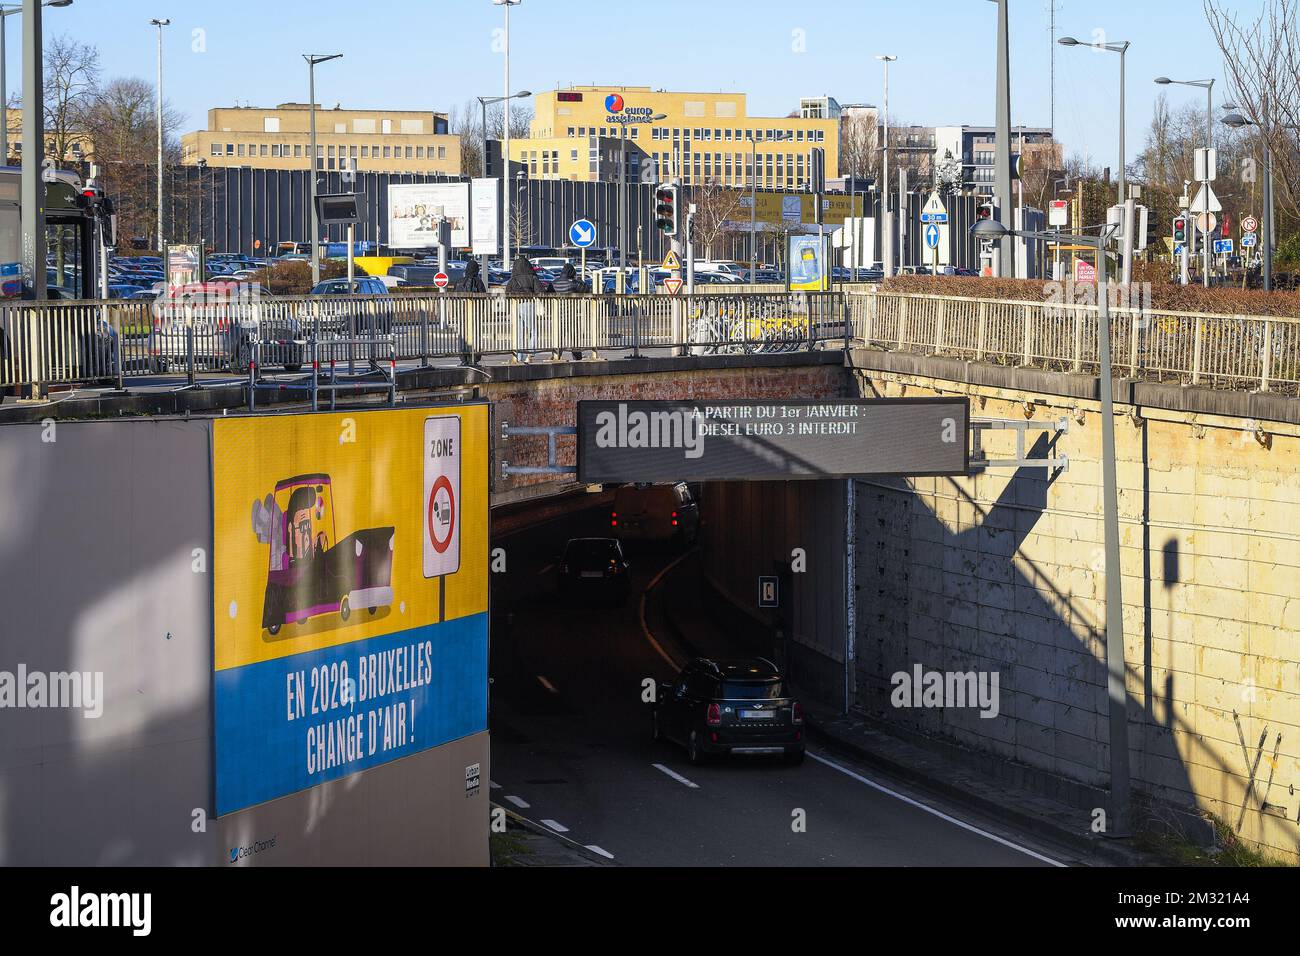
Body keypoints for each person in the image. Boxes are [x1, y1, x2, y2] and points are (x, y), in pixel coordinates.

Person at [504, 254, 546, 362]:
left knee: (519, 332)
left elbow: (507, 293)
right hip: (528, 304)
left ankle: (519, 357)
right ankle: (530, 354)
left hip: (515, 305)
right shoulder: (532, 277)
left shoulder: (513, 279)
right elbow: (540, 292)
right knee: (534, 330)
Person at [549, 262, 586, 360]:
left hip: (557, 314)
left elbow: (547, 295)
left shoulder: (554, 282)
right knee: (574, 337)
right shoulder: (574, 283)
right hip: (571, 314)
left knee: (558, 336)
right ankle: (577, 357)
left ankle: (556, 355)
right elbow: (585, 289)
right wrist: (579, 280)